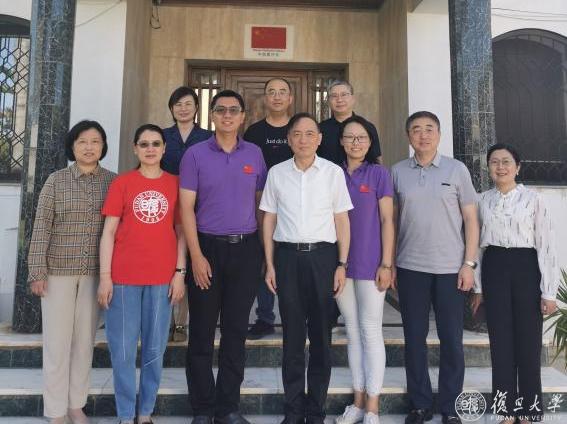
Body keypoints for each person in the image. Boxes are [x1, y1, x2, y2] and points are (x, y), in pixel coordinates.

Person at [179, 90, 267, 424]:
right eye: (220, 110)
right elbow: (186, 208)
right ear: (212, 115)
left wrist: (263, 252)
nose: (227, 115)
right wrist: (196, 255)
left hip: (245, 250)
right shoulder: (195, 154)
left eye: (233, 110)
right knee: (201, 332)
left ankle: (228, 407)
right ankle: (202, 408)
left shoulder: (254, 154)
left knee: (235, 332)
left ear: (243, 116)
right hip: (207, 248)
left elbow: (262, 205)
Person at [260, 112, 353, 424]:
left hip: (323, 258)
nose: (303, 140)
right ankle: (293, 410)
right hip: (287, 259)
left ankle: (315, 410)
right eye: (297, 134)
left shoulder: (332, 173)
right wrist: (270, 263)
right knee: (293, 338)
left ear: (319, 138)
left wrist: (341, 264)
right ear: (289, 139)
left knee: (322, 338)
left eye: (309, 133)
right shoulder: (276, 173)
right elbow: (269, 219)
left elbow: (342, 220)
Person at [392, 111, 479, 424]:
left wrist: (469, 264)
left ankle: (450, 405)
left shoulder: (456, 170)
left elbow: (471, 220)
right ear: (409, 136)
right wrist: (390, 263)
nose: (423, 135)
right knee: (414, 338)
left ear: (439, 135)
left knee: (451, 339)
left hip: (450, 268)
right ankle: (420, 404)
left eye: (429, 129)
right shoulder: (398, 171)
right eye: (416, 129)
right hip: (410, 267)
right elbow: (392, 221)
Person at [27, 120, 115, 424]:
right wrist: (37, 271)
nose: (89, 147)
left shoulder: (113, 182)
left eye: (95, 141)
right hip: (57, 273)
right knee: (57, 343)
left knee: (84, 343)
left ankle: (76, 405)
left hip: (95, 274)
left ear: (103, 146)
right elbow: (41, 227)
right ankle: (55, 410)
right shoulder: (56, 181)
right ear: (72, 146)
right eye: (82, 141)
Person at [97, 124, 186, 424]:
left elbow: (181, 232)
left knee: (154, 349)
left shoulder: (175, 184)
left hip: (162, 279)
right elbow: (108, 233)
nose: (150, 149)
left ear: (164, 148)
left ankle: (145, 412)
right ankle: (125, 414)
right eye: (144, 144)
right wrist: (105, 277)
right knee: (122, 350)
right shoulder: (122, 183)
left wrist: (180, 272)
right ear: (135, 149)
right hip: (123, 278)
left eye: (156, 144)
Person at [471, 144, 559, 424]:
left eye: (506, 161)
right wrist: (478, 287)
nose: (500, 167)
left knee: (528, 344)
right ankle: (505, 410)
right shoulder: (482, 200)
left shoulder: (533, 199)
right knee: (500, 344)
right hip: (494, 266)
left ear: (517, 167)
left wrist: (549, 291)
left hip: (526, 267)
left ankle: (529, 411)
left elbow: (546, 244)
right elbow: (477, 247)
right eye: (494, 162)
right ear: (488, 167)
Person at [334, 116, 394, 424]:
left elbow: (387, 220)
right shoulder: (332, 173)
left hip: (372, 263)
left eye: (362, 138)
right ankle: (357, 401)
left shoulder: (379, 174)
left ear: (370, 143)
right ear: (341, 141)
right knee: (352, 330)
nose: (356, 142)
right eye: (350, 137)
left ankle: (373, 405)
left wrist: (387, 263)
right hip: (340, 264)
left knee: (371, 330)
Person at [161, 86, 213, 342]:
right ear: (171, 109)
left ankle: (182, 322)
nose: (183, 108)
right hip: (167, 205)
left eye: (188, 104)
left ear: (196, 108)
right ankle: (165, 319)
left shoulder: (208, 137)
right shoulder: (161, 136)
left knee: (193, 259)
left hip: (199, 206)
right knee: (168, 259)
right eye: (178, 104)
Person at [244, 77, 294, 340]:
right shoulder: (254, 132)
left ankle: (294, 317)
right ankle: (265, 318)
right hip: (261, 205)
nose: (277, 96)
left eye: (282, 92)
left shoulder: (299, 129)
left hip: (296, 208)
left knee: (290, 263)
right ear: (265, 98)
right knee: (264, 259)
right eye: (271, 92)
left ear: (290, 98)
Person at [318, 80, 381, 165]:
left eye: (344, 95)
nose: (339, 100)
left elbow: (376, 160)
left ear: (353, 99)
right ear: (328, 101)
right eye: (334, 96)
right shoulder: (320, 129)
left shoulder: (367, 127)